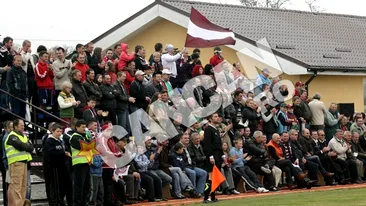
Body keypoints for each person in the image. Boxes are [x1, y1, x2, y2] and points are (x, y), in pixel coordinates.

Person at [5, 119, 33, 206]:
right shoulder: (12, 136)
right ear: (15, 126)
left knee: (23, 187)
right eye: (21, 125)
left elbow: (31, 147)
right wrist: (26, 146)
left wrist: (26, 146)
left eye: (23, 125)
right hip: (16, 164)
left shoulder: (24, 136)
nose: (23, 127)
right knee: (17, 188)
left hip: (24, 163)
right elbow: (21, 146)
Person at [43, 123, 73, 206]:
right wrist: (63, 153)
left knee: (65, 186)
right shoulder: (49, 141)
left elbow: (65, 149)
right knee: (55, 187)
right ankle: (55, 202)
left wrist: (66, 153)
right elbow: (50, 153)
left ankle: (62, 200)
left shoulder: (61, 141)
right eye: (57, 131)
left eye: (60, 131)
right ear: (52, 131)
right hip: (53, 168)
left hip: (62, 166)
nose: (59, 133)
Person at [70, 120, 92, 206]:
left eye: (85, 127)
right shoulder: (75, 137)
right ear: (77, 127)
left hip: (86, 163)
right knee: (79, 186)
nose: (84, 129)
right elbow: (84, 147)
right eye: (82, 127)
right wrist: (89, 143)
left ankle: (84, 203)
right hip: (79, 163)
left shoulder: (84, 137)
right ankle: (77, 203)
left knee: (87, 186)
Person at [0, 120, 13, 206]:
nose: (13, 129)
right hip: (6, 165)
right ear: (6, 128)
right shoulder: (4, 137)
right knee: (7, 185)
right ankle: (7, 203)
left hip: (8, 164)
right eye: (11, 127)